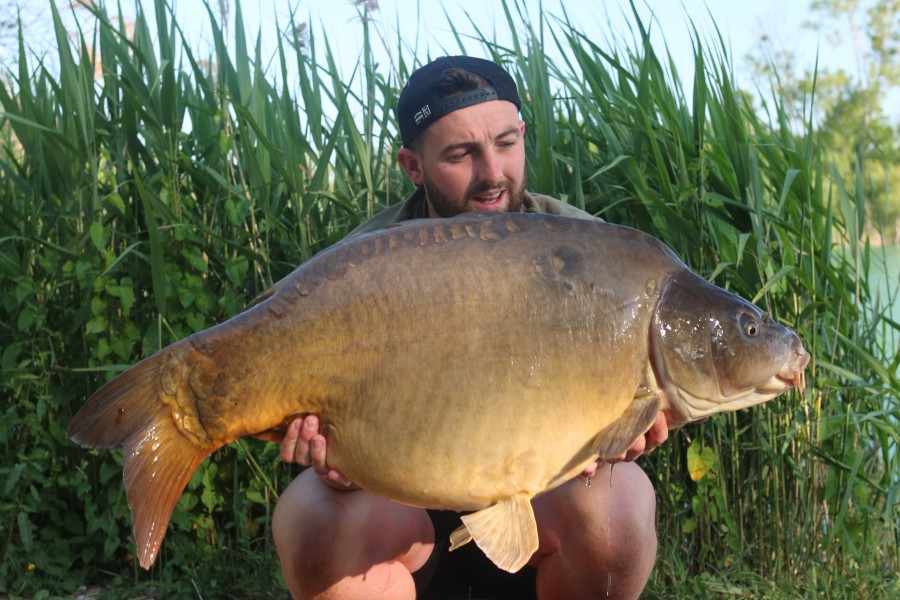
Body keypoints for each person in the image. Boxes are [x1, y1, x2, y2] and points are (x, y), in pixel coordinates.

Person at [272, 55, 669, 600]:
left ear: (523, 133)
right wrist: (338, 459)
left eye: (506, 143)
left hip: (539, 511)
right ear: (413, 166)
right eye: (461, 154)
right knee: (313, 523)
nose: (492, 173)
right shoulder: (361, 270)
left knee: (618, 514)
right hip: (405, 513)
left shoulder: (590, 251)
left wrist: (628, 429)